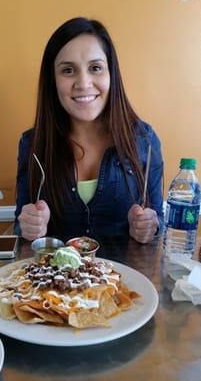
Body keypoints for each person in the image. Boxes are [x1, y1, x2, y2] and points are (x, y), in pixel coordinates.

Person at [14, 17, 164, 243]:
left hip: (125, 278)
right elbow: (20, 226)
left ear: (111, 74)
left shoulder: (145, 140)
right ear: (52, 80)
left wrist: (149, 227)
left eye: (95, 68)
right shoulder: (32, 144)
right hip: (55, 277)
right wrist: (28, 225)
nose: (83, 83)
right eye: (68, 70)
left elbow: (158, 224)